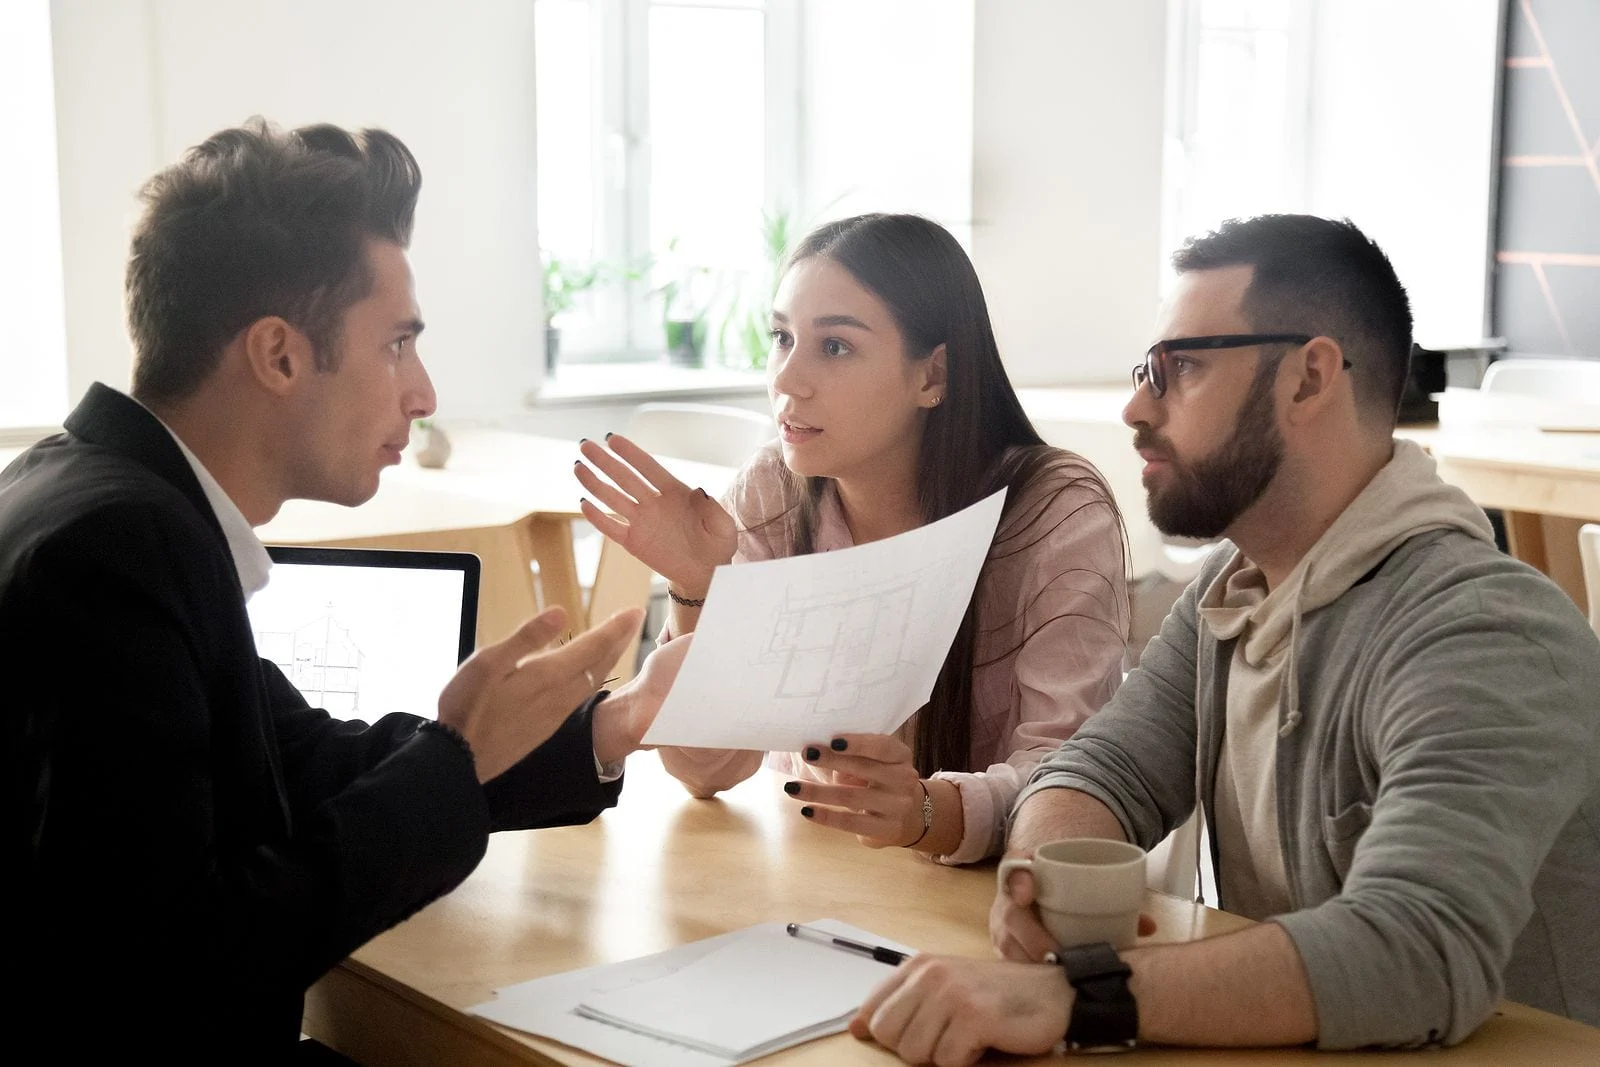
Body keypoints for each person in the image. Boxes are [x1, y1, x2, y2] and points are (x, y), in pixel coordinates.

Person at [1, 119, 688, 1059]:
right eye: (397, 344)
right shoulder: (116, 549)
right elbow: (184, 963)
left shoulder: (91, 493)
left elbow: (302, 760)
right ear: (279, 355)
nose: (424, 392)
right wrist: (452, 758)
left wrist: (601, 729)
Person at [848, 214, 1600, 1064]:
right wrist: (1044, 878)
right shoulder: (1234, 586)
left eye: (1183, 369)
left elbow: (1416, 948)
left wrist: (1072, 996)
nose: (1135, 407)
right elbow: (1104, 769)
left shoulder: (1485, 634)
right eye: (1146, 371)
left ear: (1309, 379)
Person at [573, 213, 1128, 865]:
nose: (786, 379)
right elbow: (706, 772)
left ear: (934, 376)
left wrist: (928, 811)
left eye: (834, 346)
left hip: (989, 908)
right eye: (781, 338)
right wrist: (699, 593)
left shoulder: (1055, 512)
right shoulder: (771, 492)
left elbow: (1068, 782)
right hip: (819, 884)